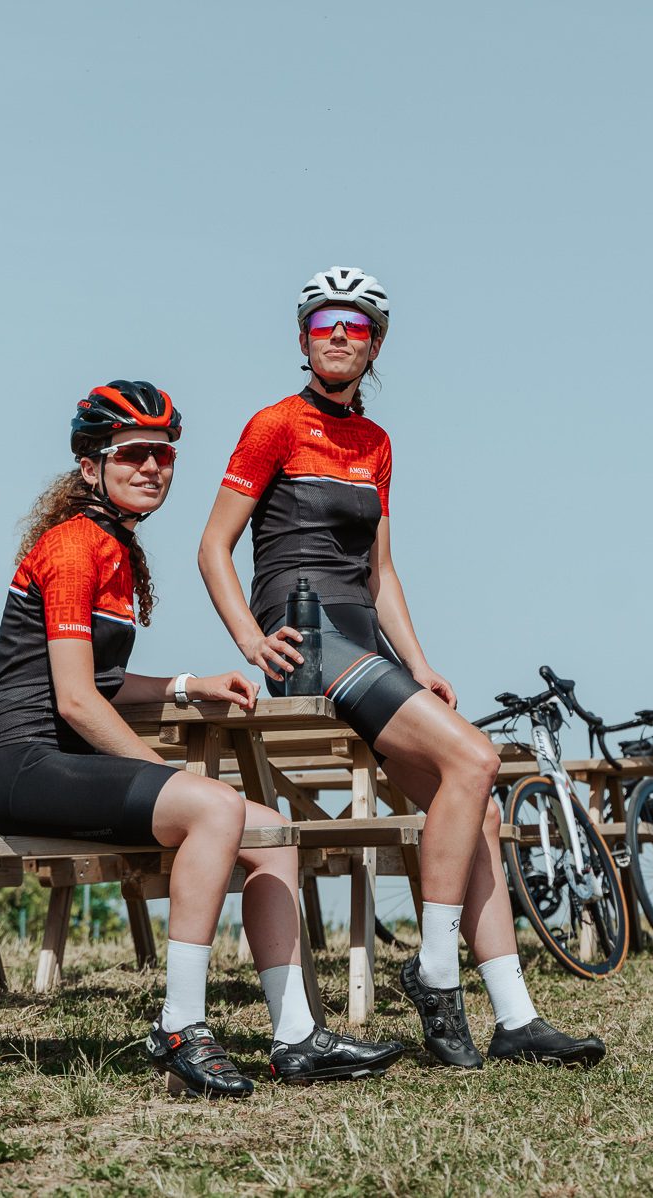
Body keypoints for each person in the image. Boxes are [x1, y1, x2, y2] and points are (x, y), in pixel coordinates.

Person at [197, 269, 605, 1069]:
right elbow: (214, 546)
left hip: (366, 644)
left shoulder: (376, 443)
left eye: (354, 325)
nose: (337, 334)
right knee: (477, 758)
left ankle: (515, 1018)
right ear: (304, 338)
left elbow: (381, 573)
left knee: (478, 808)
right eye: (323, 322)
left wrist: (418, 663)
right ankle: (436, 969)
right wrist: (251, 638)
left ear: (374, 344)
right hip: (308, 640)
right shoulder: (274, 425)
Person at [0, 380, 404, 1094]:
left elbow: (102, 680)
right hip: (20, 763)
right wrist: (167, 776)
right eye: (132, 454)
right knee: (215, 807)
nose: (152, 467)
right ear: (90, 467)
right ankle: (180, 1027)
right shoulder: (73, 547)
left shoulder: (113, 546)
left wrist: (186, 686)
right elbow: (75, 700)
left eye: (163, 455)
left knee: (272, 834)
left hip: (60, 760)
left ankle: (297, 1036)